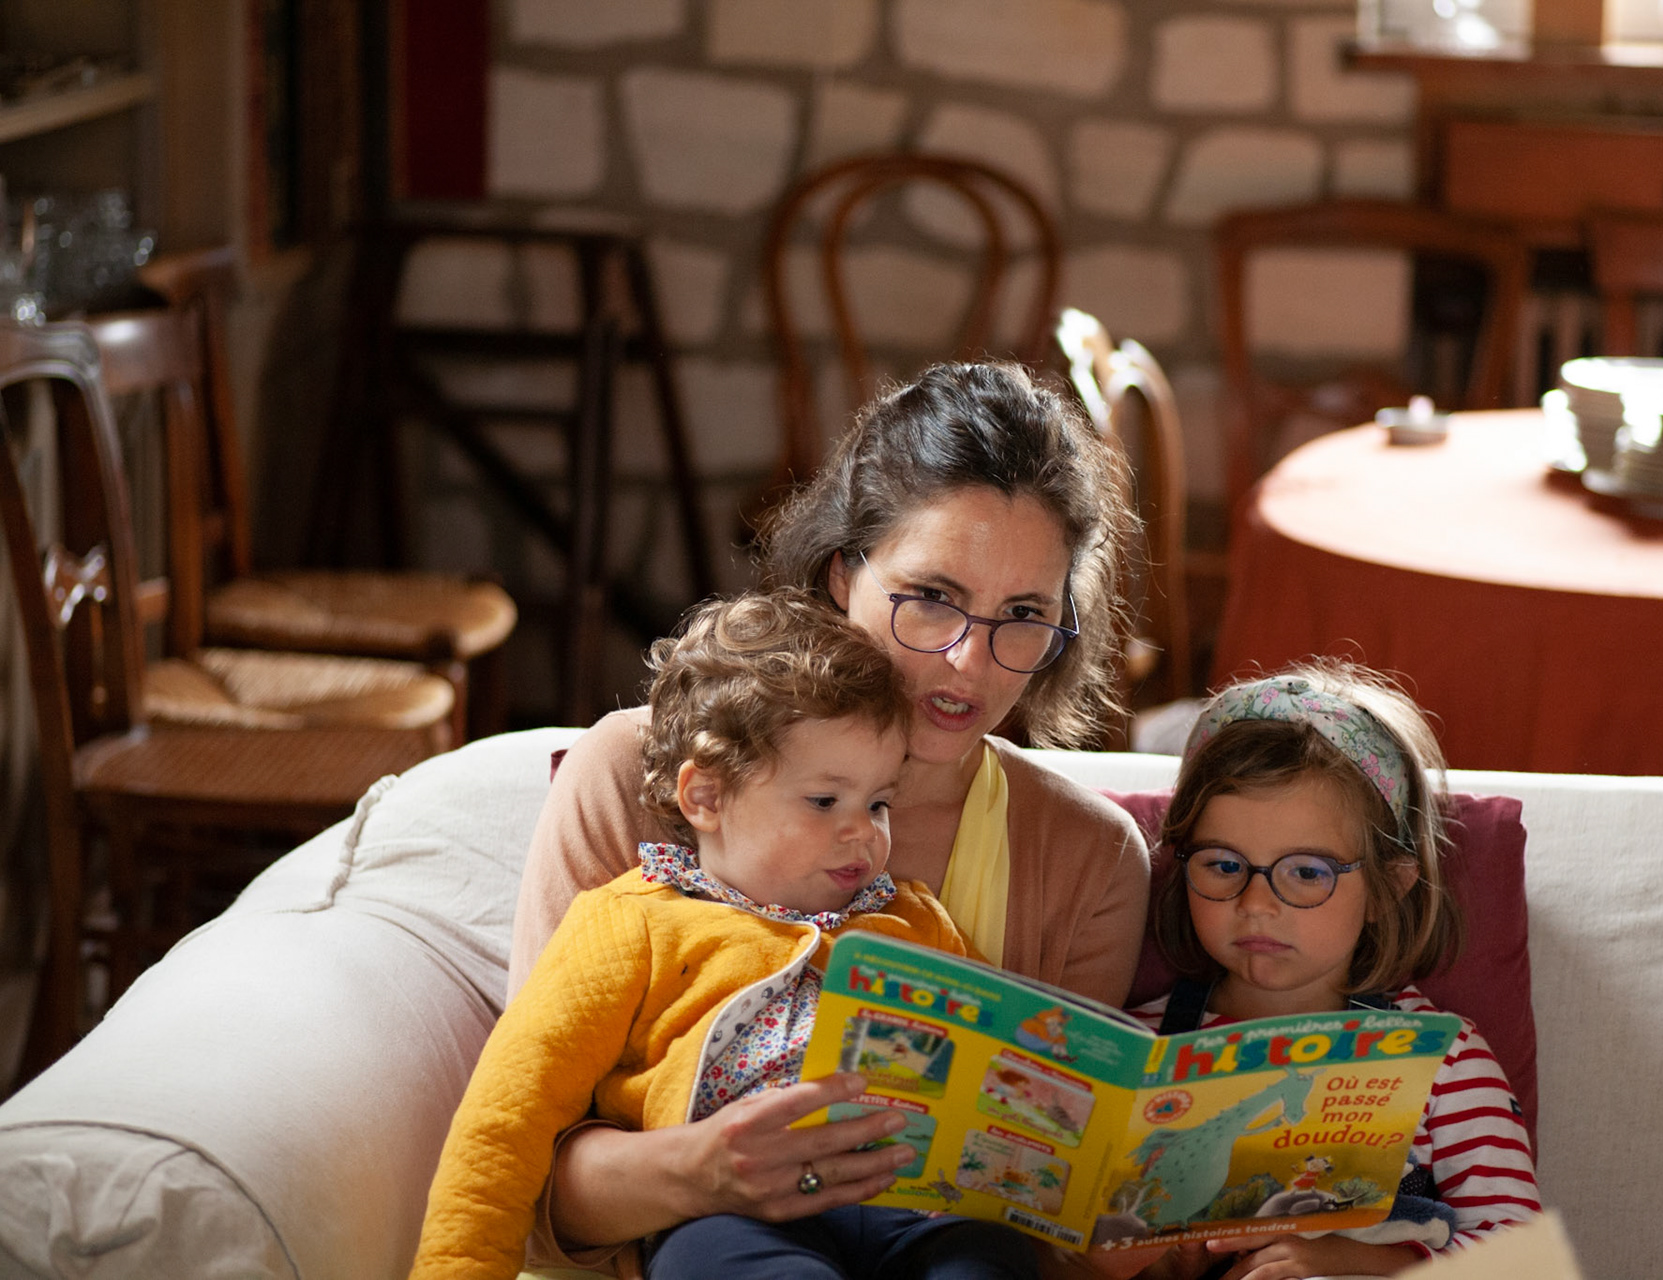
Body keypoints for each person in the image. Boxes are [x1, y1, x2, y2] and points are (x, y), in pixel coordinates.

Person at [509, 362, 1153, 1271]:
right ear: (844, 572)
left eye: (1022, 615)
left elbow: (1051, 1213)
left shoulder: (1090, 859)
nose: (969, 664)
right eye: (931, 597)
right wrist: (706, 1173)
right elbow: (528, 1179)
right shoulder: (640, 775)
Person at [410, 591, 1035, 1280]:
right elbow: (507, 1115)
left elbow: (1011, 1060)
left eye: (879, 802)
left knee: (988, 1263)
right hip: (734, 1217)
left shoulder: (917, 921)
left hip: (919, 1208)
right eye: (825, 801)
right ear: (705, 797)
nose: (863, 831)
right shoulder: (636, 922)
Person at [1121, 663, 1540, 1280]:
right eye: (1222, 865)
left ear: (1385, 890)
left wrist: (1350, 1260)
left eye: (1308, 873)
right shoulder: (1139, 1047)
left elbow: (1521, 1262)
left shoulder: (1444, 1059)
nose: (1255, 904)